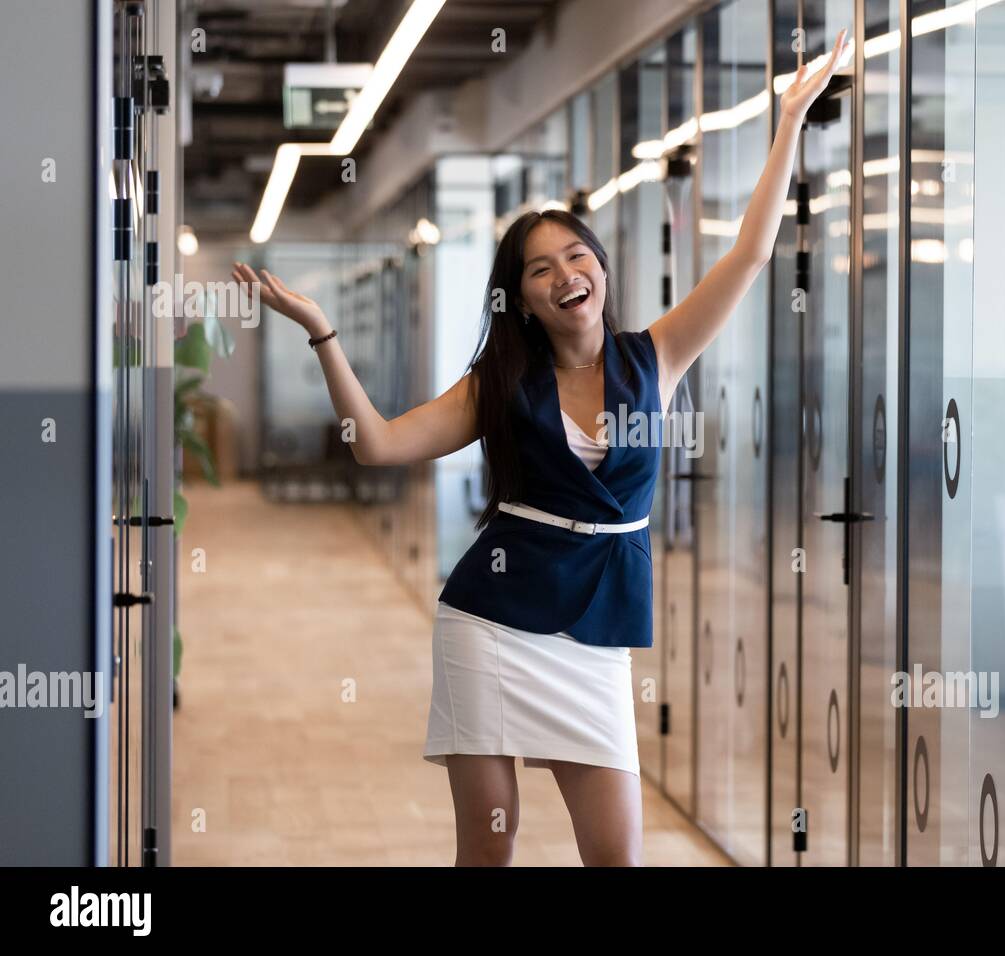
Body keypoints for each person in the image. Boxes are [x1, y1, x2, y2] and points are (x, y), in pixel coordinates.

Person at [232, 28, 849, 867]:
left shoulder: (654, 357)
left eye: (574, 255)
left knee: (615, 857)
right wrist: (322, 334)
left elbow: (748, 255)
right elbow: (374, 444)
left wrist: (788, 124)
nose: (566, 274)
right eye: (539, 269)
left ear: (597, 265)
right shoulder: (497, 387)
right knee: (490, 849)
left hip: (596, 635)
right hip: (491, 621)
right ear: (520, 299)